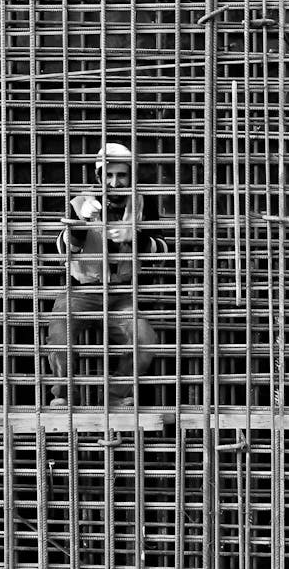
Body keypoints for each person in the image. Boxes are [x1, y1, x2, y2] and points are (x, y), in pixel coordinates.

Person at [48, 142, 167, 406]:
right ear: (99, 176)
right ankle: (65, 396)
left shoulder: (142, 204)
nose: (115, 182)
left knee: (145, 339)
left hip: (122, 294)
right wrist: (77, 225)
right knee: (59, 332)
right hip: (82, 290)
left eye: (121, 175)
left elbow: (163, 248)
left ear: (131, 175)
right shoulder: (80, 202)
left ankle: (115, 397)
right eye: (109, 175)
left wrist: (136, 237)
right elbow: (63, 248)